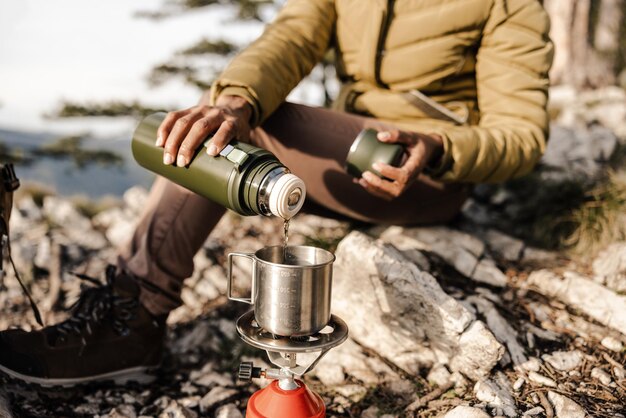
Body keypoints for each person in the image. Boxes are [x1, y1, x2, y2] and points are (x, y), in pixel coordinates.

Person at [0, 0, 553, 386]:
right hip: (340, 159)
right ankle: (126, 312)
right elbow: (289, 39)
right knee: (227, 119)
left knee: (257, 130)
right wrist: (235, 100)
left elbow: (522, 135)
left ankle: (134, 315)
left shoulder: (508, 3)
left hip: (427, 175)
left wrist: (437, 146)